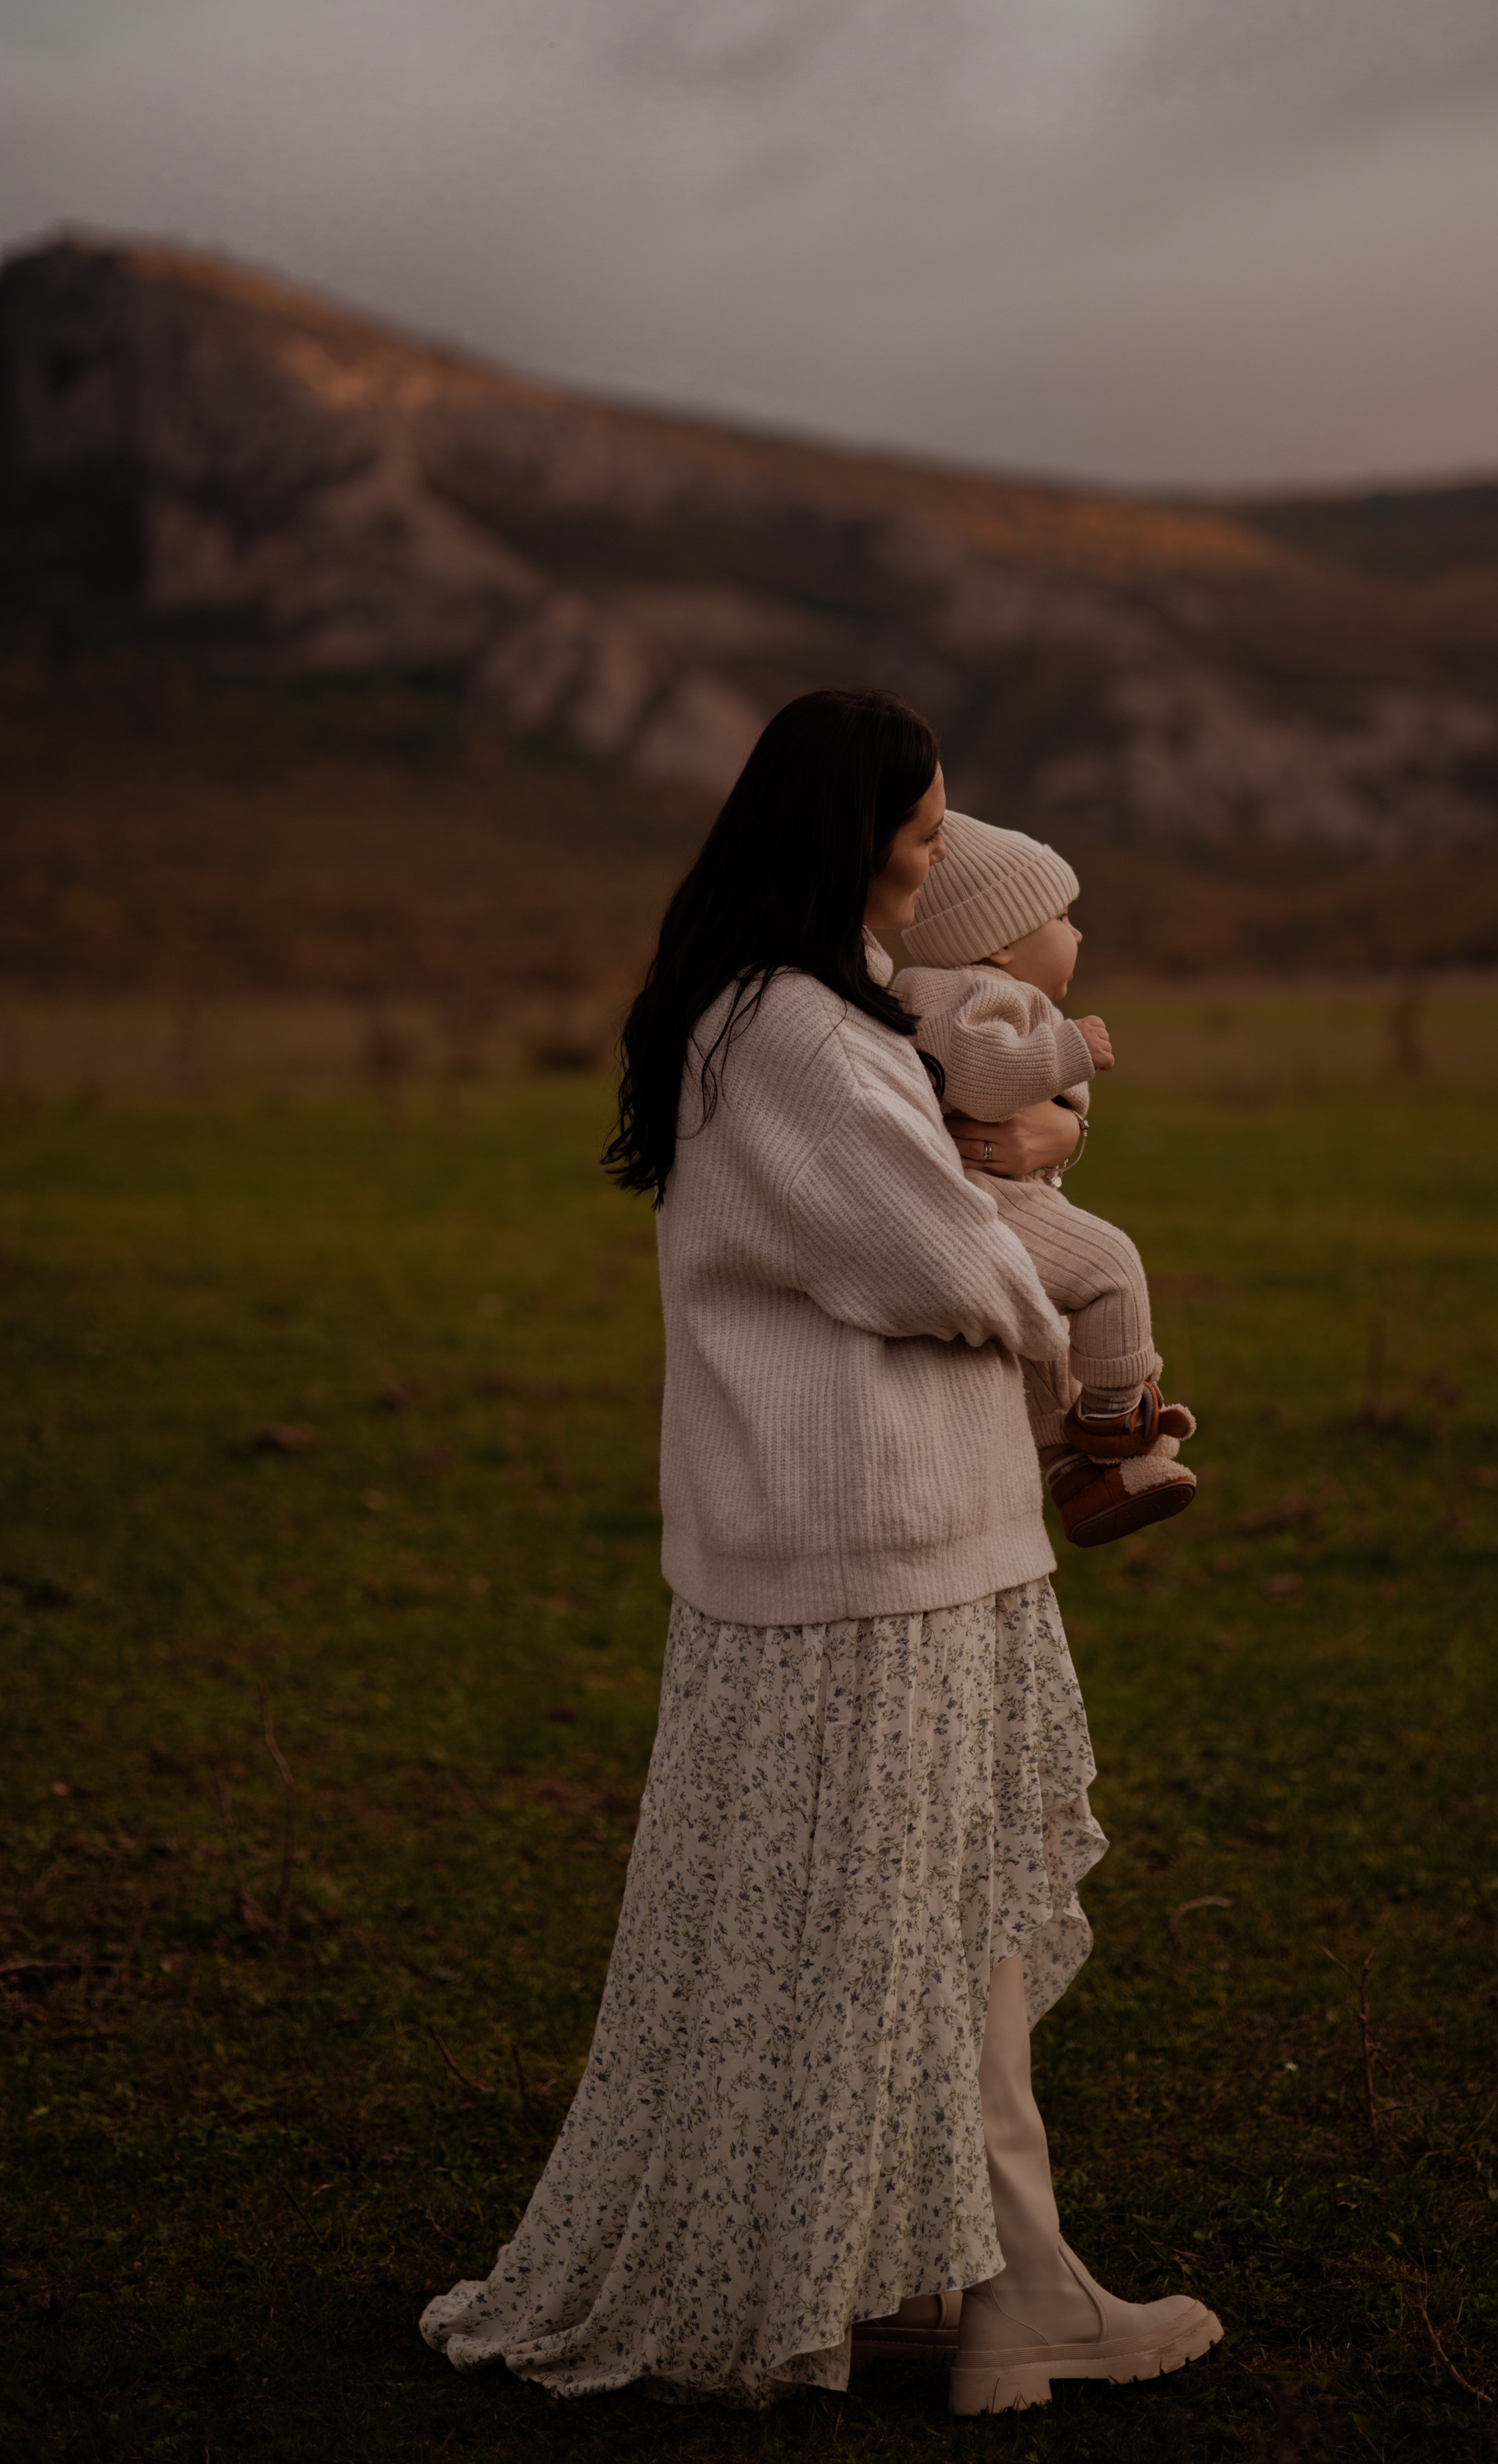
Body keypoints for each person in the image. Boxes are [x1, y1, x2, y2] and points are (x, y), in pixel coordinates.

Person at [418, 689, 1222, 2416]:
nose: (935, 868)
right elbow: (934, 1263)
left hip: (886, 1543)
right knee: (908, 1930)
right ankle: (1003, 2300)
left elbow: (930, 1220)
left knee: (909, 1928)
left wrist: (1021, 1180)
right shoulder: (781, 1026)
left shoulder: (805, 1014)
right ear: (846, 838)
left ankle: (966, 2284)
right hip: (873, 1557)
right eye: (923, 838)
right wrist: (1048, 1219)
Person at [893, 807, 1199, 1548]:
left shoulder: (952, 993)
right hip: (986, 1198)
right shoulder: (967, 997)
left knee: (1038, 1339)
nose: (1078, 933)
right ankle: (1116, 1418)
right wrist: (1067, 1050)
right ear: (999, 944)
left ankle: (1076, 1475)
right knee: (1108, 1265)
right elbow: (982, 1078)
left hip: (987, 1194)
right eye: (1062, 916)